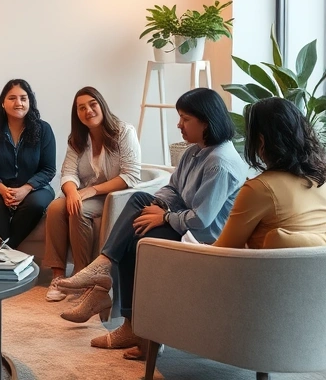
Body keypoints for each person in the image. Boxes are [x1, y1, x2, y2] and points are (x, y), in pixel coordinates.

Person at [56, 88, 247, 359]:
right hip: (183, 224)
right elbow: (173, 189)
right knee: (140, 203)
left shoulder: (219, 162)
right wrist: (156, 207)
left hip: (201, 237)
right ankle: (112, 289)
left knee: (137, 240)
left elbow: (202, 220)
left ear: (206, 121)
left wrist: (165, 217)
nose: (179, 125)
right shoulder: (196, 152)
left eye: (185, 119)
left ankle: (116, 299)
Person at [43, 87, 142, 302]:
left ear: (101, 105)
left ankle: (81, 276)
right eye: (81, 108)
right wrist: (71, 193)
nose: (88, 110)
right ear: (76, 114)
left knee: (78, 209)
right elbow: (68, 172)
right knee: (54, 207)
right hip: (83, 193)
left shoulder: (124, 132)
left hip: (114, 196)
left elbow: (131, 176)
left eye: (92, 104)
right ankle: (58, 276)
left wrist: (90, 191)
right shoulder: (77, 139)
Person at [213, 97, 326, 249]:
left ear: (261, 141)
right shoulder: (322, 179)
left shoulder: (260, 188)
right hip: (320, 271)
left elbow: (223, 250)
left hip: (267, 272)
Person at [0, 79, 57, 246]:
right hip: (0, 187)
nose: (18, 103)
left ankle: (8, 247)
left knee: (36, 204)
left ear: (30, 102)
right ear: (3, 103)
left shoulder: (43, 130)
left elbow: (48, 169)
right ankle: (7, 247)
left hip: (35, 188)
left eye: (23, 98)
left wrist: (25, 189)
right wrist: (3, 190)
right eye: (12, 98)